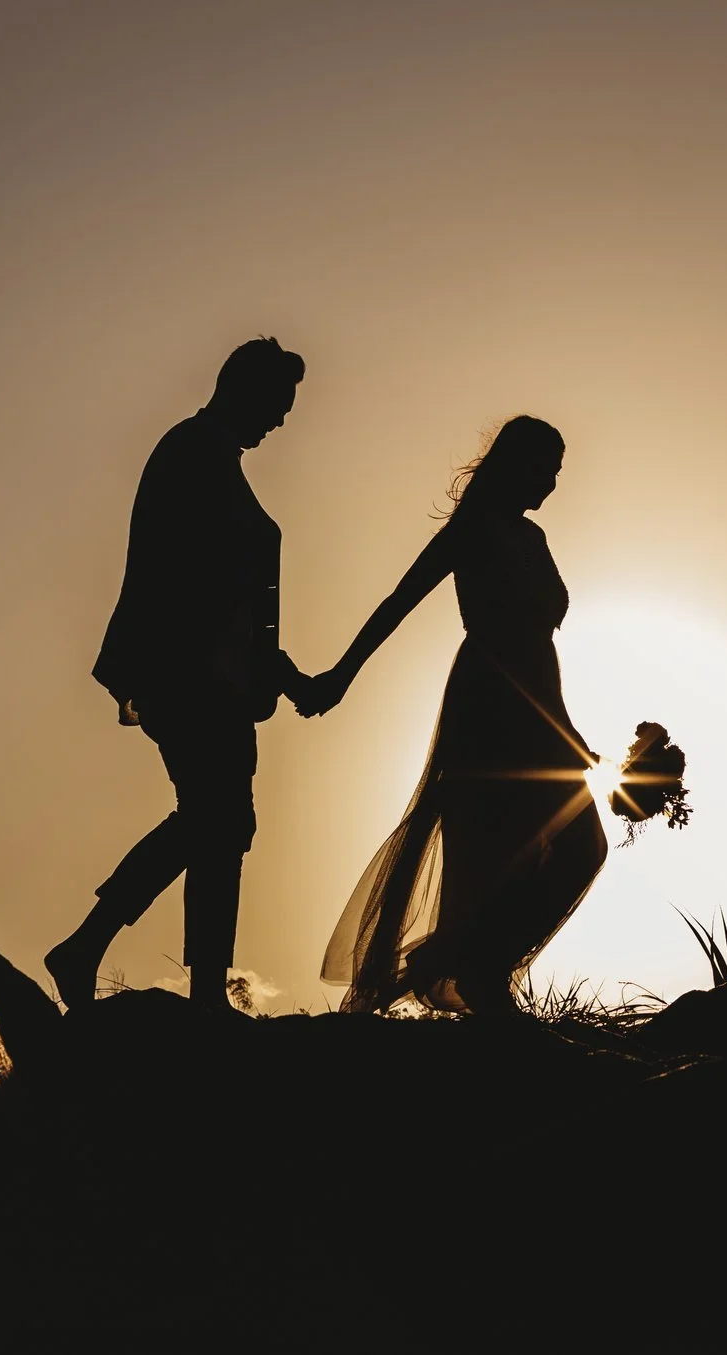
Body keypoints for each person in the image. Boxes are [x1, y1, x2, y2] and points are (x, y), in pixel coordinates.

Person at [300, 415, 606, 1014]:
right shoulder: (474, 529)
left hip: (541, 701)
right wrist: (340, 675)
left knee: (581, 847)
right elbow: (399, 601)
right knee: (493, 852)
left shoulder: (534, 539)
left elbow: (540, 646)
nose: (550, 484)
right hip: (491, 701)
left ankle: (467, 960)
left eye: (558, 472)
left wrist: (566, 726)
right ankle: (478, 977)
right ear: (516, 465)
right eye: (546, 469)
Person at [44, 336, 308, 1015]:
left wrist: (275, 672)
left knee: (218, 822)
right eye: (277, 404)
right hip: (189, 675)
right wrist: (266, 671)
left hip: (212, 678)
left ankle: (156, 972)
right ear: (245, 389)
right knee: (219, 819)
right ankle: (149, 972)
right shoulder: (193, 454)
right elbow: (198, 586)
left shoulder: (209, 456)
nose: (280, 421)